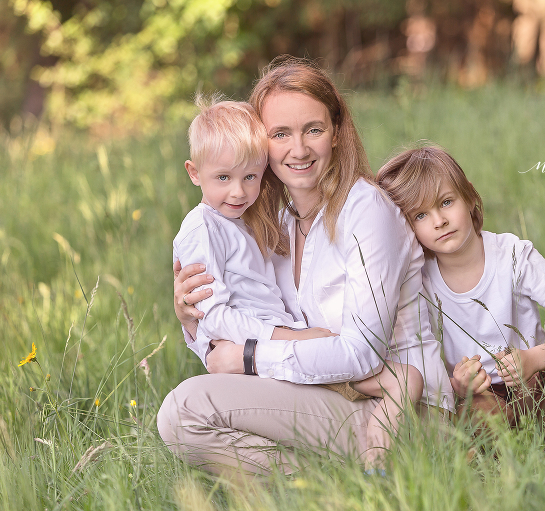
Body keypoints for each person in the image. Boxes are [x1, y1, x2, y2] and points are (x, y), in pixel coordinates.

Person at [158, 59, 453, 480]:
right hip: (334, 398)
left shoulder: (365, 210)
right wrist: (191, 320)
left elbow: (361, 352)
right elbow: (244, 325)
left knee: (187, 409)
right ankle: (332, 488)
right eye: (281, 134)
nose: (298, 150)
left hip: (404, 413)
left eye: (313, 129)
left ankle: (360, 477)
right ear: (261, 145)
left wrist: (250, 358)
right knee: (184, 415)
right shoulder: (274, 224)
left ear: (336, 132)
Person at [376, 146, 545, 430]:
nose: (439, 221)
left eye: (446, 202)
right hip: (480, 396)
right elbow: (415, 366)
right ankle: (518, 442)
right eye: (420, 216)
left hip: (535, 376)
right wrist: (457, 385)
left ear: (470, 196)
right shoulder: (419, 280)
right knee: (476, 412)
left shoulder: (513, 254)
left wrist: (532, 359)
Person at [173, 96, 337, 367]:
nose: (238, 192)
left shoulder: (246, 222)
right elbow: (211, 317)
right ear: (194, 173)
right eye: (223, 177)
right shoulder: (201, 227)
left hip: (272, 339)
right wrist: (288, 337)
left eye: (250, 177)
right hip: (252, 349)